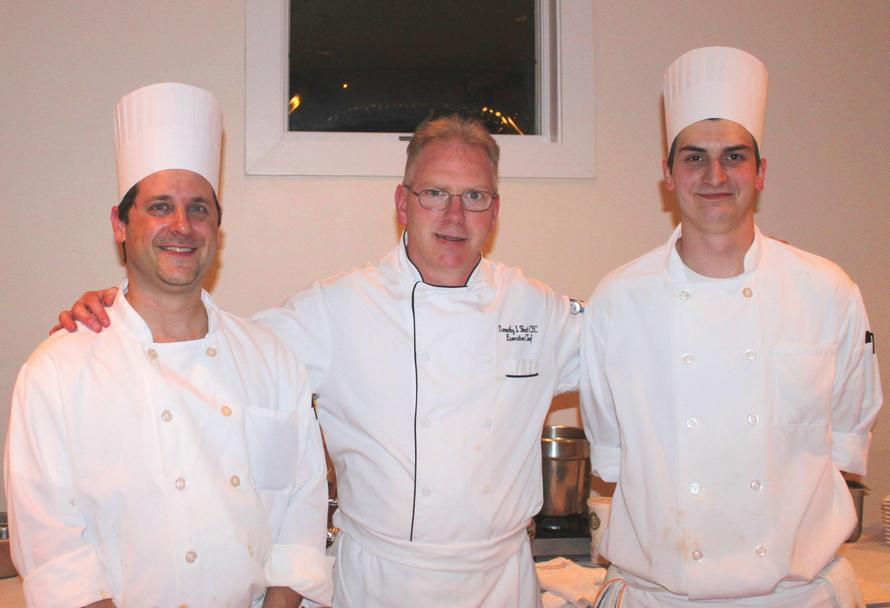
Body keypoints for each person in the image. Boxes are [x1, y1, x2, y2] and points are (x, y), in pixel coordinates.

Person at [55, 115, 582, 607]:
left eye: (474, 196)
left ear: (495, 209)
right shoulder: (337, 308)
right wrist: (129, 310)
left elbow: (632, 350)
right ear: (402, 203)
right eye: (435, 194)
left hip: (502, 583)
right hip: (381, 581)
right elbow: (212, 356)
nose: (454, 215)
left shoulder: (536, 307)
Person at [6, 82, 332, 608]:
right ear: (120, 223)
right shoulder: (58, 372)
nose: (182, 226)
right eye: (160, 206)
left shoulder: (272, 360)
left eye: (199, 209)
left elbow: (301, 524)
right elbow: (56, 557)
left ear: (218, 230)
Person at [580, 46, 882, 606]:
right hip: (660, 597)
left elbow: (844, 438)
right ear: (667, 176)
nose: (714, 176)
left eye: (734, 156)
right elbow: (614, 452)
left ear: (761, 172)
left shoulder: (828, 292)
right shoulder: (618, 302)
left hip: (798, 596)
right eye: (694, 157)